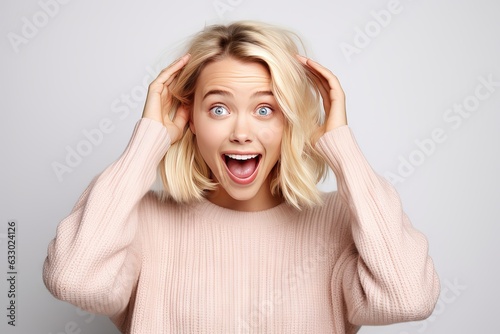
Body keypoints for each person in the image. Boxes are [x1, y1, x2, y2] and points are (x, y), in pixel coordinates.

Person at [43, 21, 440, 333]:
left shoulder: (338, 222)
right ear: (189, 118)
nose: (241, 132)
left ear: (291, 121)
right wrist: (149, 140)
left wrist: (341, 146)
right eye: (219, 109)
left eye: (265, 109)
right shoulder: (142, 221)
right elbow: (75, 280)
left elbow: (407, 299)